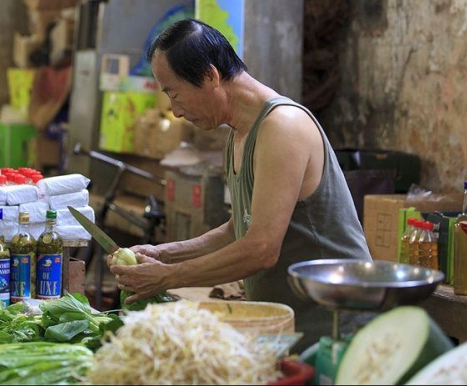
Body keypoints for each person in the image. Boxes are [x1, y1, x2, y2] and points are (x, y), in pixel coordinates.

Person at [110, 19, 371, 352]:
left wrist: (167, 277)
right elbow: (240, 229)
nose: (175, 111)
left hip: (334, 330)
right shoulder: (238, 133)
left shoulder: (282, 127)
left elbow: (261, 248)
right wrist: (162, 254)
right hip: (287, 328)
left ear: (210, 76)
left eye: (174, 94)